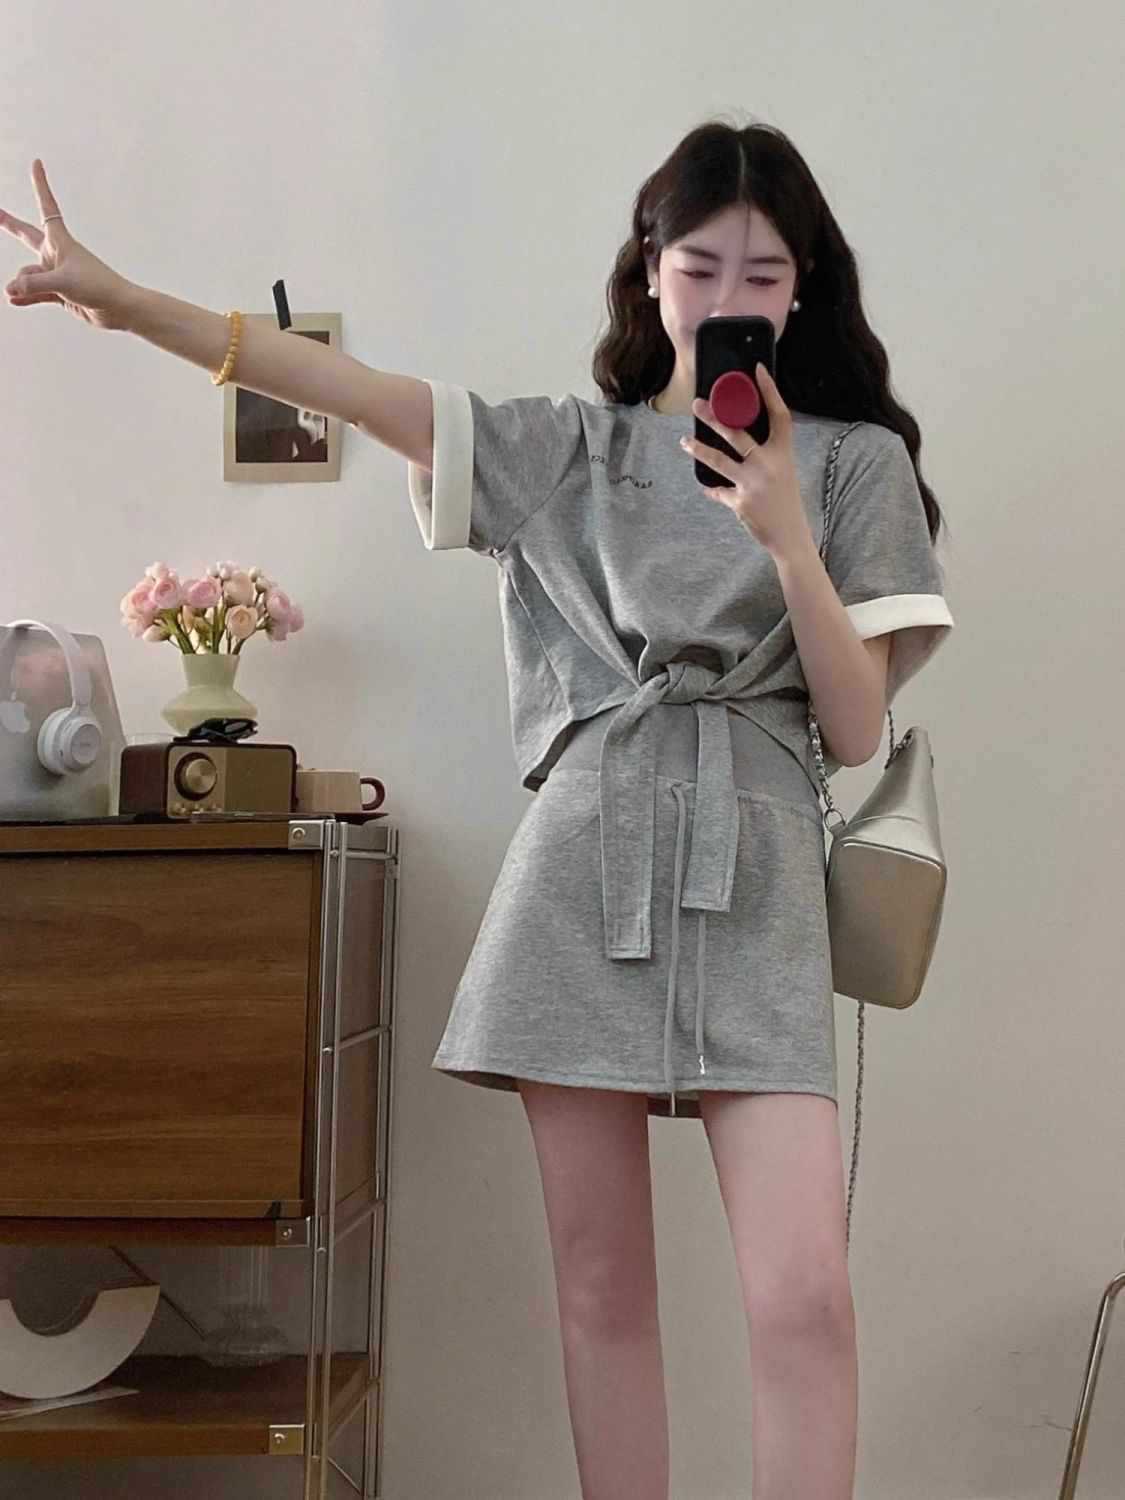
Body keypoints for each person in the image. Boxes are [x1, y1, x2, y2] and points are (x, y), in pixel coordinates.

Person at [3, 118, 955, 1500]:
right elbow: (351, 387)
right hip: (581, 868)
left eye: (761, 275)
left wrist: (787, 537)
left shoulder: (855, 464)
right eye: (699, 268)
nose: (726, 300)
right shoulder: (566, 451)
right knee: (599, 1286)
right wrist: (127, 301)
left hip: (756, 873)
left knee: (803, 1297)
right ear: (648, 271)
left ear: (801, 289)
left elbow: (855, 731)